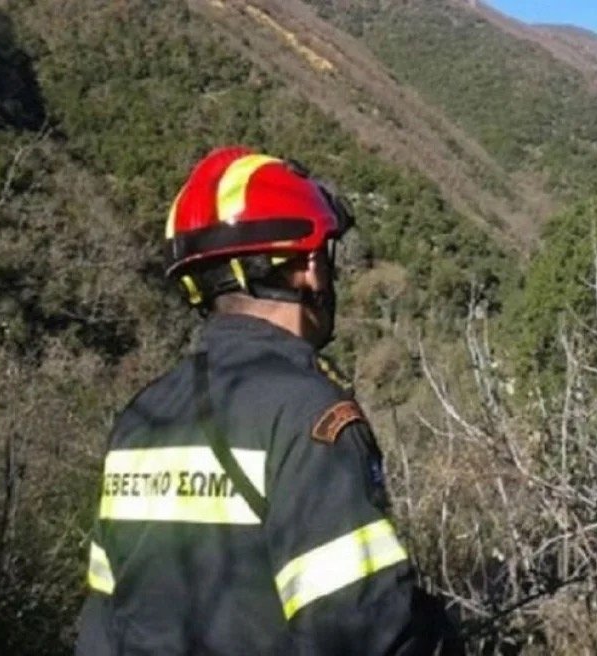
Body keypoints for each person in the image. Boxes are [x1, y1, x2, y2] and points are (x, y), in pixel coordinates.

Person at [74, 146, 463, 655]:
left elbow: (103, 621)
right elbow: (365, 635)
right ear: (307, 267)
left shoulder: (139, 419)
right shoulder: (311, 420)